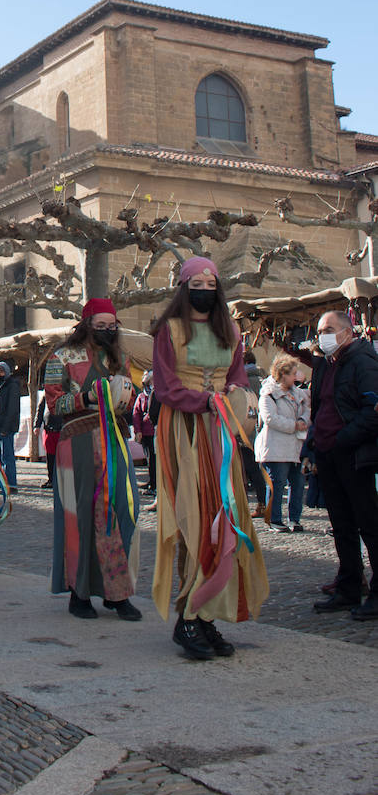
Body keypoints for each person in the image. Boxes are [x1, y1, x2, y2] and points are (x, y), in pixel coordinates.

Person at [151, 257, 268, 659]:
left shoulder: (230, 330)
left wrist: (234, 395)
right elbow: (166, 387)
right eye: (197, 281)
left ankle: (203, 616)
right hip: (183, 430)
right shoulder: (169, 330)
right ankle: (187, 616)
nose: (205, 286)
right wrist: (206, 402)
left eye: (211, 281)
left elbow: (237, 374)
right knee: (193, 521)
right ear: (185, 287)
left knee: (224, 518)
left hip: (220, 432)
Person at [43, 299, 142, 622]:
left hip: (114, 440)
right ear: (86, 324)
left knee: (125, 510)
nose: (107, 330)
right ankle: (79, 591)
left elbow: (126, 397)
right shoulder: (61, 357)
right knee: (81, 514)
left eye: (112, 325)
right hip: (79, 442)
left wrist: (125, 400)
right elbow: (55, 405)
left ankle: (117, 591)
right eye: (100, 325)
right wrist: (86, 397)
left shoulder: (120, 358)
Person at [306, 311, 378, 620]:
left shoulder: (363, 362)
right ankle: (349, 585)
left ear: (347, 333)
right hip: (328, 456)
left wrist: (343, 438)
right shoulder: (324, 366)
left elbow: (372, 409)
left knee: (370, 525)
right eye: (321, 331)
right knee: (342, 526)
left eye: (330, 330)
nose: (324, 336)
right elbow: (319, 409)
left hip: (354, 455)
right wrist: (312, 446)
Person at [256, 356, 308, 533]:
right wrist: (294, 425)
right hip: (275, 447)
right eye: (292, 373)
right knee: (277, 484)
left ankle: (295, 518)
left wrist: (302, 420)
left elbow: (307, 410)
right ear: (282, 374)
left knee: (298, 483)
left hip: (296, 447)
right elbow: (270, 418)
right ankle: (275, 519)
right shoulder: (268, 394)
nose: (296, 377)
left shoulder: (298, 394)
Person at [0, 360, 21, 493]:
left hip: (5, 428)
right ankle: (3, 483)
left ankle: (11, 484)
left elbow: (12, 409)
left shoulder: (12, 386)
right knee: (0, 457)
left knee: (7, 457)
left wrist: (5, 428)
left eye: (1, 371)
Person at [131, 371, 157, 504]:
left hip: (156, 432)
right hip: (147, 433)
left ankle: (155, 485)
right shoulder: (142, 396)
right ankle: (153, 483)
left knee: (155, 460)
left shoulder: (158, 393)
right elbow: (136, 414)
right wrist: (138, 431)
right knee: (150, 459)